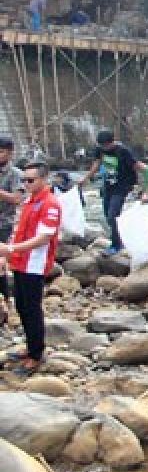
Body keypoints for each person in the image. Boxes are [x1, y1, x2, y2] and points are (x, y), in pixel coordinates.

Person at [1, 161, 62, 376]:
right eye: (24, 180)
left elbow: (44, 237)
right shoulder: (30, 201)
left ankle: (36, 354)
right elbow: (20, 229)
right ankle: (30, 347)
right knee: (22, 307)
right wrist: (10, 252)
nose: (26, 184)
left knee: (32, 310)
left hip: (34, 264)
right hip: (20, 261)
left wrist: (10, 249)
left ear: (43, 179)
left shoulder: (50, 203)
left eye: (30, 180)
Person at [82, 130, 138, 255]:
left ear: (112, 142)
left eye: (106, 145)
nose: (104, 148)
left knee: (113, 214)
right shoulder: (100, 149)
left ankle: (115, 245)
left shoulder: (123, 151)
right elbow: (96, 164)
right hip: (108, 186)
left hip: (123, 186)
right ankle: (120, 238)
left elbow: (135, 165)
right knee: (107, 216)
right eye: (101, 146)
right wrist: (85, 178)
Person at [0, 137, 21, 324]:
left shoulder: (15, 174)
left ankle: (5, 301)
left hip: (4, 223)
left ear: (10, 152)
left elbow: (16, 199)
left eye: (1, 152)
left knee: (0, 265)